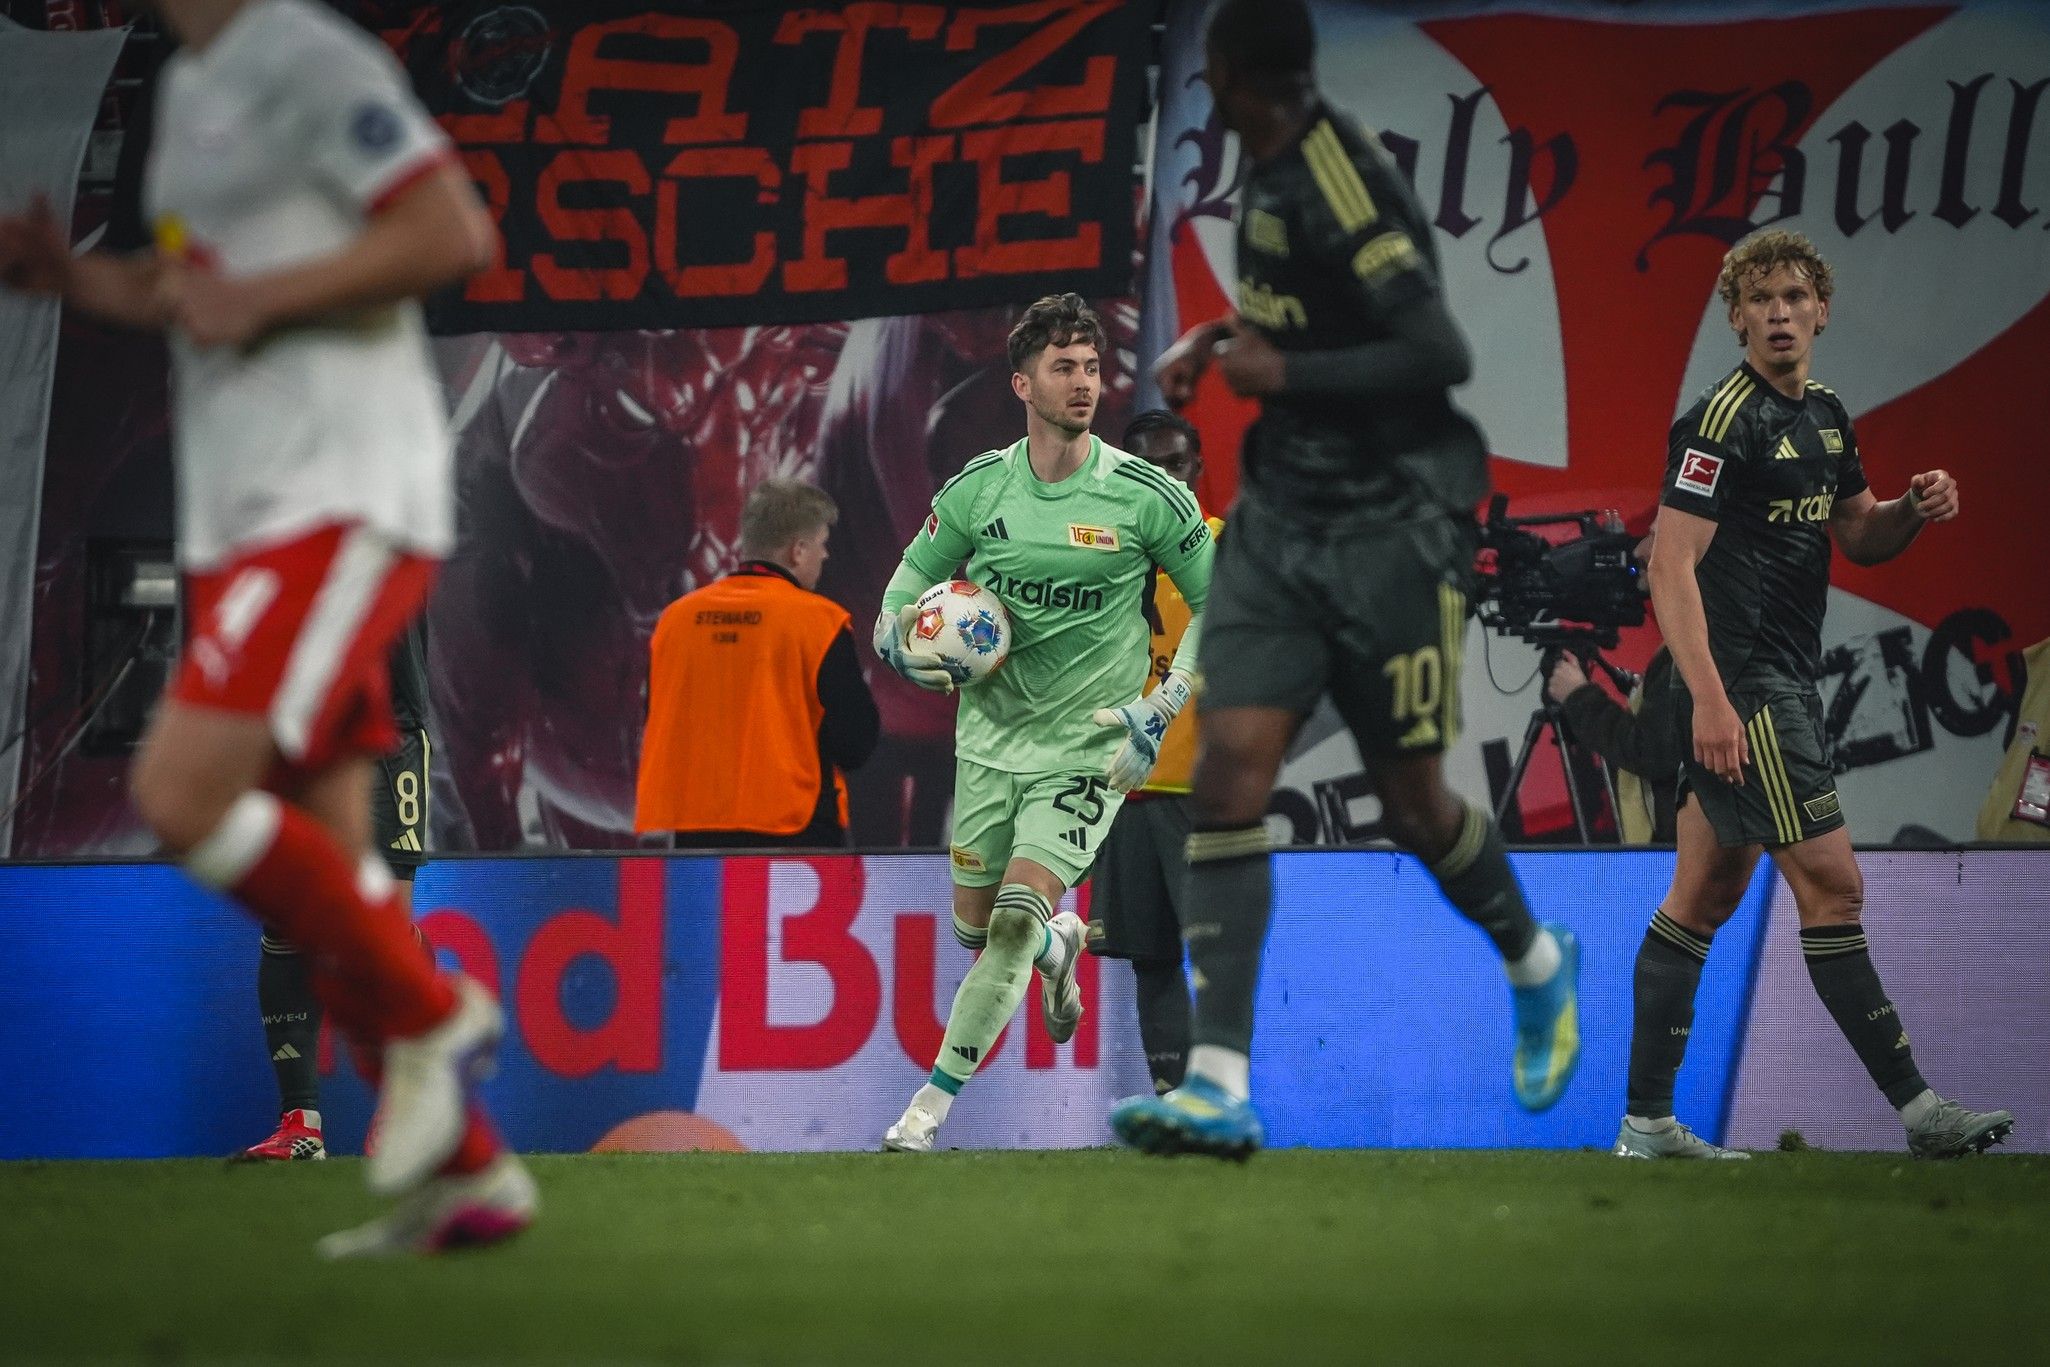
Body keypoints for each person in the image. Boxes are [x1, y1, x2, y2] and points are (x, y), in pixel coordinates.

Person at [0, 0, 533, 1251]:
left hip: (340, 491)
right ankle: (470, 1175)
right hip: (245, 509)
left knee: (182, 792)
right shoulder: (190, 88)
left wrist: (263, 298)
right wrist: (76, 278)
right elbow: (184, 285)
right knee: (338, 876)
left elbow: (448, 230)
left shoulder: (305, 56)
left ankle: (432, 1009)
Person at [1109, 0, 1581, 1160]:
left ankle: (1534, 959)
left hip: (1392, 525)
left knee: (1413, 805)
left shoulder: (1341, 177)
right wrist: (1221, 339)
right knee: (1228, 768)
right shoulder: (1267, 168)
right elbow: (1315, 315)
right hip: (1281, 515)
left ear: (1229, 76)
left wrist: (1284, 371)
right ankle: (1218, 1083)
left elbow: (1436, 351)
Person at [1617, 226, 2011, 1160]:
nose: (1780, 314)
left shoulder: (1828, 415)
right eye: (1760, 300)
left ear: (1822, 310)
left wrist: (1912, 508)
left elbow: (1860, 533)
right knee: (1835, 887)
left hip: (1783, 680)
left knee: (1704, 894)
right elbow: (1670, 567)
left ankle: (1646, 1126)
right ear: (1737, 318)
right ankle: (1922, 1113)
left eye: (1794, 296)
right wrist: (1711, 700)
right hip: (1744, 687)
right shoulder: (1721, 420)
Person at [870, 293, 1216, 1152]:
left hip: (1088, 749)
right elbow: (902, 592)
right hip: (990, 745)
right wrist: (901, 647)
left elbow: (1223, 601)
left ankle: (926, 1111)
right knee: (977, 928)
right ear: (1022, 383)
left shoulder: (1145, 495)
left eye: (1092, 367)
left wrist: (1164, 703)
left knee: (1013, 922)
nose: (1084, 382)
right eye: (1064, 368)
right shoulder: (979, 489)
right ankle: (1060, 950)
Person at [237, 625, 434, 1161]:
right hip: (295, 736)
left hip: (386, 738)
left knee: (382, 932)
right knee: (286, 920)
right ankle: (300, 1126)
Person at [1086, 410, 1220, 1095]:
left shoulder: (1229, 549)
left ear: (1198, 470)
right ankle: (1174, 1094)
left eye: (1178, 465)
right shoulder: (1100, 556)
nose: (1167, 479)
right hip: (1127, 789)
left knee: (1220, 954)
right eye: (1149, 467)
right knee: (1153, 956)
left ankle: (1223, 1094)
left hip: (1207, 791)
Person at [635, 479, 880, 850]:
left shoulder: (676, 621)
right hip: (796, 833)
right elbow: (855, 743)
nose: (825, 555)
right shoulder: (820, 623)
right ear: (798, 551)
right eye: (821, 544)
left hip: (696, 837)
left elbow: (656, 716)